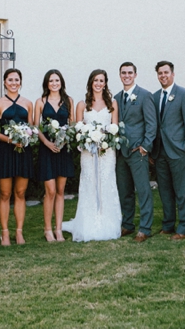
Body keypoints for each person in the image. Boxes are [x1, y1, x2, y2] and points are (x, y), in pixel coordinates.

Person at [62, 69, 122, 242]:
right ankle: (88, 223)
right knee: (89, 183)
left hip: (107, 152)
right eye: (95, 80)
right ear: (91, 82)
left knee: (106, 182)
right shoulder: (82, 104)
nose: (98, 83)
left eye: (101, 80)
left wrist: (106, 139)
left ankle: (108, 221)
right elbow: (78, 129)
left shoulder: (112, 104)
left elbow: (115, 128)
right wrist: (87, 138)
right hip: (89, 153)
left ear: (105, 83)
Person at [151, 61, 185, 241]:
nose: (163, 76)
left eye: (166, 72)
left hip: (178, 151)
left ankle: (184, 228)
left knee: (182, 191)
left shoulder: (184, 95)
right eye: (160, 73)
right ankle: (168, 224)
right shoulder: (154, 97)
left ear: (173, 74)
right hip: (160, 152)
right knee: (165, 191)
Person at [0, 68, 34, 246]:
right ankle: (5, 232)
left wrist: (26, 137)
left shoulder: (28, 103)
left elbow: (31, 127)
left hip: (23, 150)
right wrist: (9, 140)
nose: (13, 83)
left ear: (20, 82)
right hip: (5, 151)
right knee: (5, 193)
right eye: (10, 80)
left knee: (21, 193)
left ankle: (19, 232)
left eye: (16, 80)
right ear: (4, 82)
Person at [114, 62, 157, 243]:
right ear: (120, 75)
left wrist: (145, 146)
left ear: (135, 75)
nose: (127, 76)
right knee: (125, 191)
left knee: (143, 190)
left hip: (137, 151)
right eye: (123, 73)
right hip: (121, 153)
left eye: (130, 73)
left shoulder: (145, 95)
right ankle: (128, 224)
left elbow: (151, 123)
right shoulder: (116, 98)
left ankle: (145, 228)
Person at [34, 70, 75, 243]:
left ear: (61, 82)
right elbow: (35, 127)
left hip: (63, 149)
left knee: (60, 191)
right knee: (49, 191)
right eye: (51, 81)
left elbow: (72, 125)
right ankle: (47, 229)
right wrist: (47, 143)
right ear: (46, 83)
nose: (54, 83)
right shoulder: (41, 102)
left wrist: (64, 141)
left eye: (57, 80)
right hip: (47, 149)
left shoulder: (69, 101)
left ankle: (59, 229)